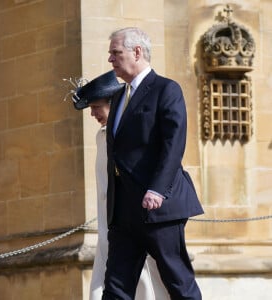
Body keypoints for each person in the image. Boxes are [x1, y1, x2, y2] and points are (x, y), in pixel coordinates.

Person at [103, 27, 204, 300]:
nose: (110, 60)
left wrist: (157, 189)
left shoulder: (166, 89)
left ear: (137, 52)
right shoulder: (118, 96)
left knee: (178, 283)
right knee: (115, 289)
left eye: (116, 53)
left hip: (159, 209)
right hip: (123, 212)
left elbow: (173, 144)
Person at [71, 70, 170, 300]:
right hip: (111, 225)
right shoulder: (102, 136)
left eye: (96, 106)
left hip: (135, 219)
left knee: (149, 280)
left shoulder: (128, 133)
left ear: (113, 103)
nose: (93, 113)